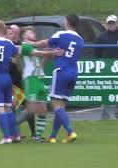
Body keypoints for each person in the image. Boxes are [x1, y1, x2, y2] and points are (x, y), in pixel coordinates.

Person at [32, 14, 84, 143]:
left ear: (67, 22)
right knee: (61, 106)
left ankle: (70, 132)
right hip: (73, 73)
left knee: (55, 104)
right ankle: (53, 136)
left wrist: (30, 43)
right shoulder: (80, 40)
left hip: (61, 71)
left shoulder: (61, 34)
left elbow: (44, 43)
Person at [17, 27, 64, 142]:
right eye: (30, 32)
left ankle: (38, 137)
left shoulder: (33, 46)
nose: (33, 33)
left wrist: (48, 57)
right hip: (31, 80)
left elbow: (40, 62)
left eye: (33, 32)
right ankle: (11, 126)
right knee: (31, 109)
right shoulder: (25, 46)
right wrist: (52, 52)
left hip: (40, 79)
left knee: (43, 109)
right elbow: (37, 53)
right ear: (24, 36)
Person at [0, 26, 23, 142]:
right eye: (10, 33)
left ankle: (7, 137)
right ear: (5, 33)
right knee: (8, 108)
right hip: (8, 79)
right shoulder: (9, 45)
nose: (13, 35)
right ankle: (16, 135)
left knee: (0, 109)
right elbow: (18, 52)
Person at [95, 15, 118, 120]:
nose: (111, 25)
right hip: (105, 70)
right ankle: (105, 116)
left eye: (113, 23)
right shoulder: (101, 37)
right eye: (109, 23)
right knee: (106, 92)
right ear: (107, 24)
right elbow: (96, 54)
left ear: (117, 23)